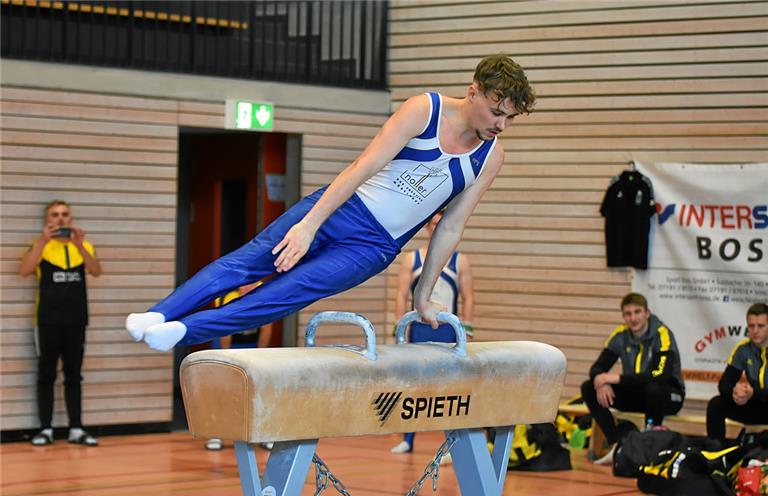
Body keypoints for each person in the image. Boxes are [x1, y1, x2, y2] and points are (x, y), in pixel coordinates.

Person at [125, 54, 535, 351]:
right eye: (497, 111)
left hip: (373, 248)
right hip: (341, 207)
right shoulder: (424, 110)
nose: (500, 125)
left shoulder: (491, 157)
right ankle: (161, 313)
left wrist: (422, 295)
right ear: (473, 91)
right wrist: (309, 225)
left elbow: (450, 226)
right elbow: (362, 167)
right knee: (250, 262)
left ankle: (185, 331)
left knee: (289, 292)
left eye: (510, 119)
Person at [19, 200, 102, 446]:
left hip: (76, 321)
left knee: (73, 375)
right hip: (46, 321)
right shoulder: (40, 245)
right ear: (47, 219)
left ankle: (76, 428)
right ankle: (45, 429)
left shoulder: (84, 244)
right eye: (55, 215)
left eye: (65, 214)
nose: (60, 219)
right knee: (46, 374)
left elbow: (96, 271)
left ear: (71, 218)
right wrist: (43, 242)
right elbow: (24, 270)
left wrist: (80, 246)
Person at [390, 210, 474, 454]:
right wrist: (400, 328)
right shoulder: (412, 259)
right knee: (413, 385)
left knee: (450, 387)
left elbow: (468, 297)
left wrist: (467, 329)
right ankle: (407, 438)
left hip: (449, 331)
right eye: (433, 223)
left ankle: (451, 441)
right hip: (418, 329)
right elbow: (400, 295)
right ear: (426, 226)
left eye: (441, 223)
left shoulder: (460, 262)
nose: (436, 228)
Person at [581, 293, 685, 464]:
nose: (633, 318)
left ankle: (649, 446)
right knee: (588, 387)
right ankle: (617, 442)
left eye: (637, 312)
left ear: (647, 313)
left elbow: (659, 375)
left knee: (654, 388)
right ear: (623, 316)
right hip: (638, 394)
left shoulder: (662, 334)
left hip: (669, 396)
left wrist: (616, 379)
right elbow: (597, 368)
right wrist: (602, 382)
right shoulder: (620, 335)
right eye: (628, 314)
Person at [205, 282, 273, 451]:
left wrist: (260, 356)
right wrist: (226, 359)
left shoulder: (264, 294)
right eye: (246, 285)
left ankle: (264, 434)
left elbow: (266, 327)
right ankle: (216, 433)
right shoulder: (229, 299)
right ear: (240, 287)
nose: (250, 287)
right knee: (223, 389)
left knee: (258, 390)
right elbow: (225, 333)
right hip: (227, 343)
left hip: (251, 343)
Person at [706, 302, 768, 445]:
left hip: (762, 400)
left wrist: (753, 394)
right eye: (751, 326)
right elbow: (724, 385)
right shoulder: (743, 349)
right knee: (716, 405)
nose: (755, 331)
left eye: (761, 326)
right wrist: (735, 392)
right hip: (756, 404)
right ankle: (716, 453)